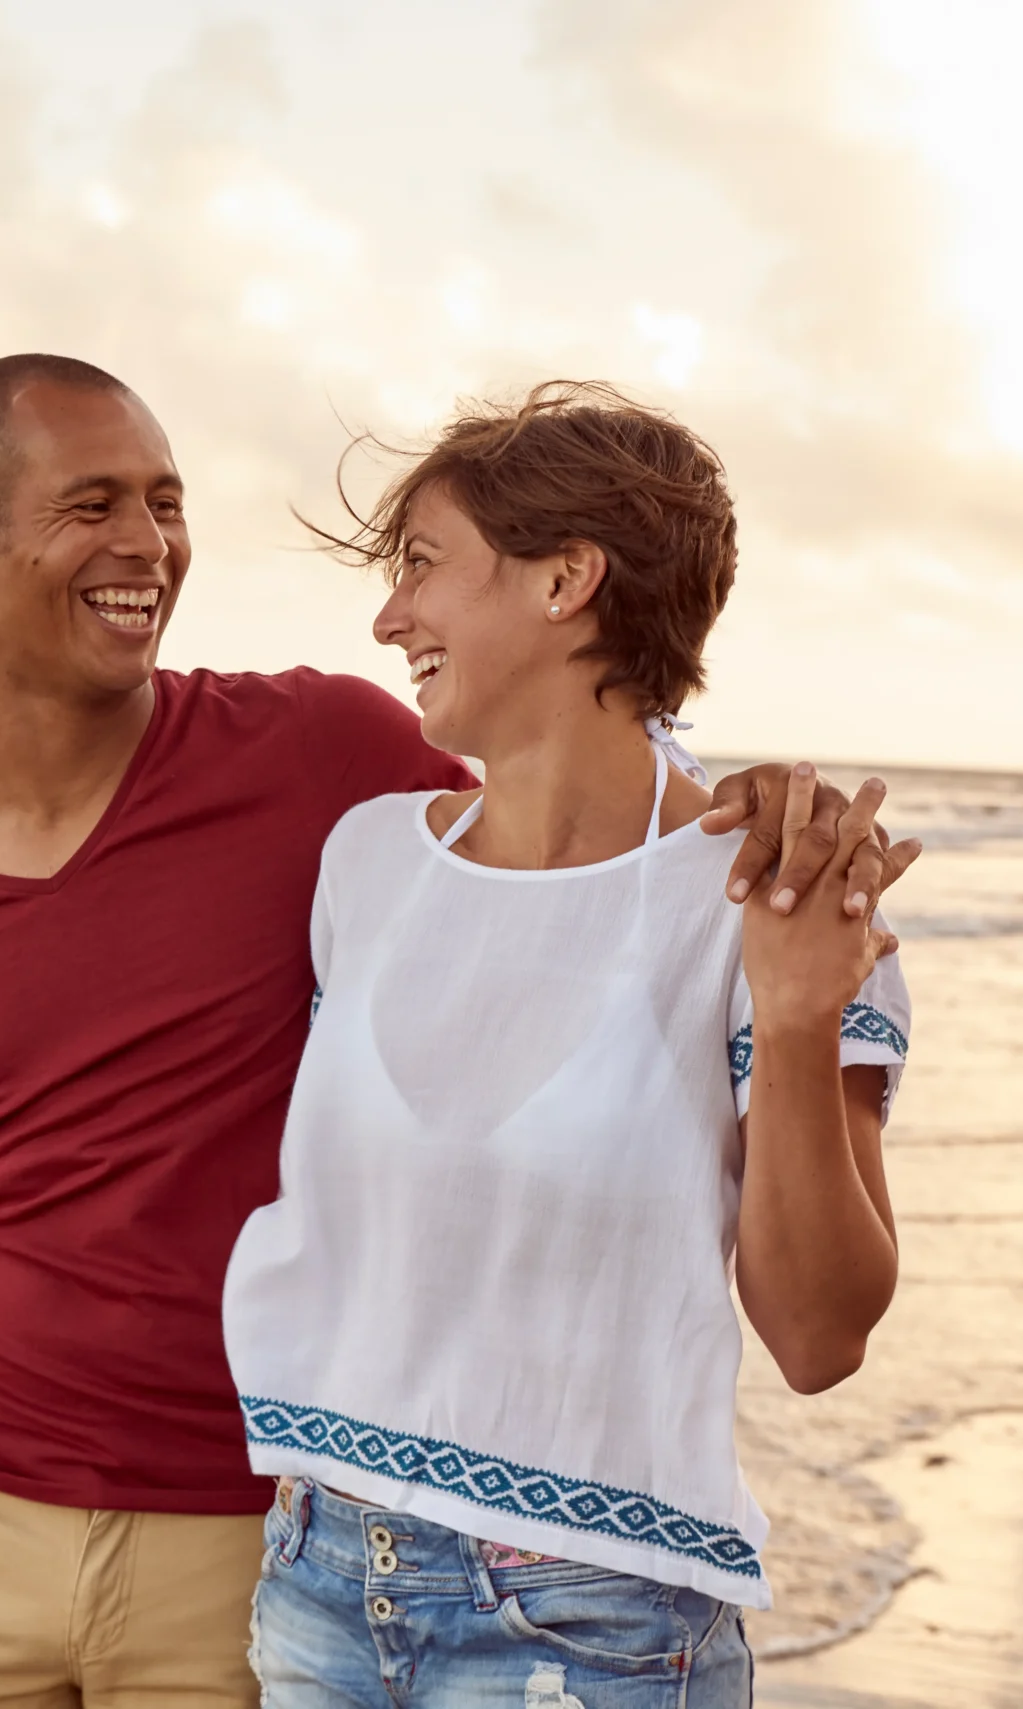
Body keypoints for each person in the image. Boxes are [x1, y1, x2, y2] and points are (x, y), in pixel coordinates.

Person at [0, 356, 913, 1709]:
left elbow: (583, 807)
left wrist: (763, 834)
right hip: (144, 1557)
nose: (149, 544)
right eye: (93, 503)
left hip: (365, 1566)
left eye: (166, 501)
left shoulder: (326, 765)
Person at [223, 382, 912, 1706]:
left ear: (566, 581)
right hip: (317, 1578)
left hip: (590, 1627)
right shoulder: (364, 864)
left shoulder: (780, 892)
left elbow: (821, 1338)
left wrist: (802, 1010)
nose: (389, 615)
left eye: (422, 565)